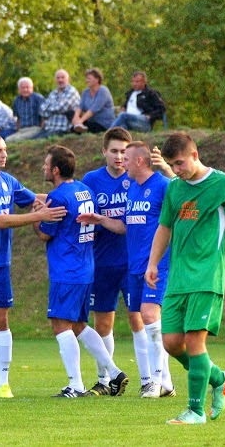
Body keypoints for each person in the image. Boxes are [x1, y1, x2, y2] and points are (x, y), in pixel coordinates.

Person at [146, 132, 225, 424]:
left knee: (194, 341)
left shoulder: (224, 184)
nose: (176, 169)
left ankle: (195, 411)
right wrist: (153, 263)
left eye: (179, 163)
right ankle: (218, 378)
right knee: (171, 343)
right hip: (178, 278)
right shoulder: (175, 189)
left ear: (194, 155)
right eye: (171, 164)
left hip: (207, 276)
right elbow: (164, 228)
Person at [0, 133, 68, 400]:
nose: (3, 155)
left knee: (1, 320)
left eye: (4, 150)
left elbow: (34, 197)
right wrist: (38, 216)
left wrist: (70, 194)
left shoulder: (8, 181)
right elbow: (0, 221)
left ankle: (3, 383)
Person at [77, 141, 176, 399]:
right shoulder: (132, 188)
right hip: (135, 268)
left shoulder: (163, 186)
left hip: (157, 265)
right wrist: (99, 219)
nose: (123, 162)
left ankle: (155, 380)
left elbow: (186, 197)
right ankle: (164, 382)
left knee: (150, 317)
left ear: (140, 162)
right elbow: (124, 226)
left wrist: (168, 167)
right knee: (143, 319)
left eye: (128, 159)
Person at [33, 145, 129, 398]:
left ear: (55, 169)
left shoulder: (58, 197)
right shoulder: (85, 190)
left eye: (46, 164)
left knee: (60, 325)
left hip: (67, 269)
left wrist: (36, 216)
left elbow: (44, 233)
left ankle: (75, 385)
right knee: (78, 325)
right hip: (86, 268)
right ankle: (115, 371)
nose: (43, 167)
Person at [37, 69, 80, 138]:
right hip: (49, 128)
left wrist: (50, 109)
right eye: (58, 78)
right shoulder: (53, 93)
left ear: (68, 79)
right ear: (55, 80)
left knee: (38, 142)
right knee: (29, 141)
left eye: (63, 77)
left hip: (63, 129)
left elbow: (62, 108)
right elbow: (42, 111)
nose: (60, 80)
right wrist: (55, 109)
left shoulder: (72, 91)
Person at [71, 68, 115, 134]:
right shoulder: (85, 92)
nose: (86, 80)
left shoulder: (103, 91)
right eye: (86, 78)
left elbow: (94, 109)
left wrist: (81, 120)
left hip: (103, 123)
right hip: (90, 121)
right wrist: (76, 117)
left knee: (89, 128)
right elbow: (80, 106)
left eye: (89, 78)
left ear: (97, 79)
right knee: (72, 128)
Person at [6, 77, 45, 142]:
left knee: (17, 140)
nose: (25, 90)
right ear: (19, 89)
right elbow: (18, 118)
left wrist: (41, 130)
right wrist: (18, 129)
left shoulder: (38, 98)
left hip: (35, 128)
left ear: (32, 88)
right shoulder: (17, 100)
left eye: (27, 87)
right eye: (23, 88)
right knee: (7, 140)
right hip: (22, 130)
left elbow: (44, 117)